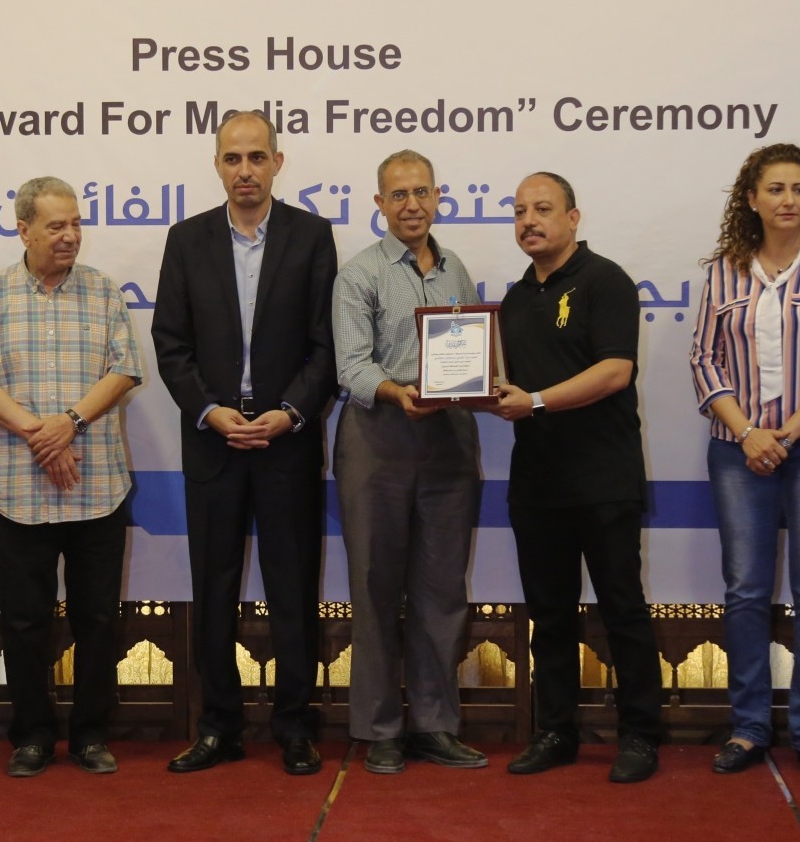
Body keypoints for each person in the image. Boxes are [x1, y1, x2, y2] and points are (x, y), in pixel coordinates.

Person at [152, 109, 338, 776]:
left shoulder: (312, 236)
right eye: (233, 158)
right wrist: (210, 410)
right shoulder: (187, 240)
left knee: (294, 588)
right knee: (214, 588)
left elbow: (326, 345)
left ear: (277, 163)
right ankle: (219, 726)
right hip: (215, 444)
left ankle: (295, 726)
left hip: (287, 442)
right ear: (217, 166)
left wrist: (289, 412)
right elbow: (170, 344)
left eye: (257, 157)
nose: (245, 170)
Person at [688, 143, 800, 783]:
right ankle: (749, 727)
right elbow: (703, 359)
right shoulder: (723, 273)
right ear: (752, 200)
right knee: (745, 591)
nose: (789, 200)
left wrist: (784, 434)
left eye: (799, 189)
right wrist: (747, 433)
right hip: (739, 449)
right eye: (776, 189)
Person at [0, 177, 142, 778]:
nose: (70, 236)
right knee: (24, 621)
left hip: (97, 486)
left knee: (97, 620)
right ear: (24, 230)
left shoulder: (103, 291)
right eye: (56, 226)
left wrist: (70, 423)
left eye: (76, 224)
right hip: (21, 488)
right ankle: (32, 735)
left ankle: (91, 735)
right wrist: (43, 434)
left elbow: (125, 371)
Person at [493, 171, 664, 783]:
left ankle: (640, 735)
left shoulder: (605, 281)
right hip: (537, 483)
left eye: (542, 209)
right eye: (520, 212)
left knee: (623, 610)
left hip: (603, 478)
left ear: (573, 217)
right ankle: (556, 731)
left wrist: (535, 401)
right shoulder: (514, 301)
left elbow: (615, 371)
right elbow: (504, 384)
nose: (529, 221)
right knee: (550, 616)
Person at [333, 150, 485, 774]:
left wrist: (484, 383)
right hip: (378, 439)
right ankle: (379, 729)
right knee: (374, 586)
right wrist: (398, 393)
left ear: (438, 197)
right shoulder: (359, 274)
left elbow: (473, 350)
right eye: (398, 195)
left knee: (442, 588)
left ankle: (435, 725)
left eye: (422, 192)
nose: (412, 205)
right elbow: (351, 367)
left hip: (448, 440)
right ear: (379, 204)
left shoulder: (456, 271)